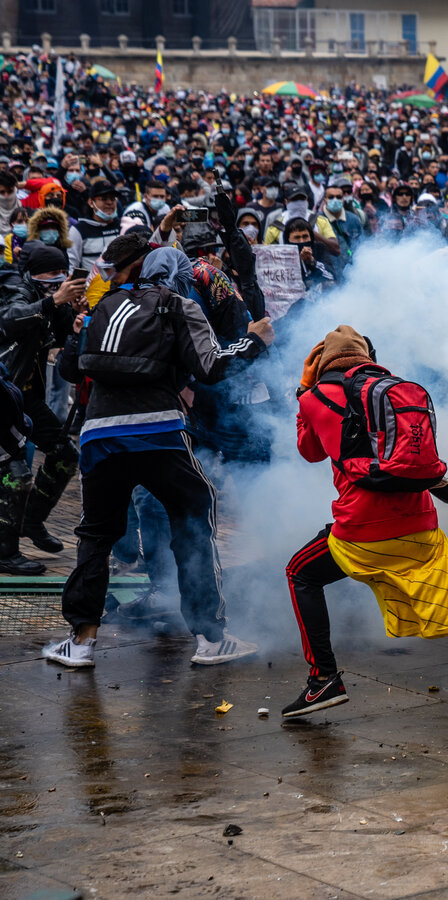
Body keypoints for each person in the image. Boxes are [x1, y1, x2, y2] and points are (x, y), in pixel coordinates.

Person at [283, 325, 448, 733]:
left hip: (358, 534)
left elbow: (310, 452)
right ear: (368, 357)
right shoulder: (396, 391)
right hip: (420, 531)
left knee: (300, 572)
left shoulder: (316, 397)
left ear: (322, 364)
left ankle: (323, 680)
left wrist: (304, 391)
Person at [44, 237, 274, 668]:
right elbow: (211, 369)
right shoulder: (178, 305)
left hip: (99, 436)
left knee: (95, 535)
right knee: (193, 518)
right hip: (160, 433)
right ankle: (210, 638)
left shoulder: (102, 306)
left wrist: (78, 330)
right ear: (180, 276)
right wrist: (255, 341)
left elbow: (70, 369)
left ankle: (80, 642)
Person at [0, 241, 84, 573]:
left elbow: (61, 338)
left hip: (28, 395)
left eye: (62, 273)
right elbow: (9, 319)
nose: (58, 278)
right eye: (51, 273)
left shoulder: (50, 295)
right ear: (34, 273)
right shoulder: (14, 288)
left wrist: (73, 311)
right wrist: (54, 299)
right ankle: (6, 552)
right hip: (4, 395)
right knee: (16, 473)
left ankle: (31, 522)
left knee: (65, 455)